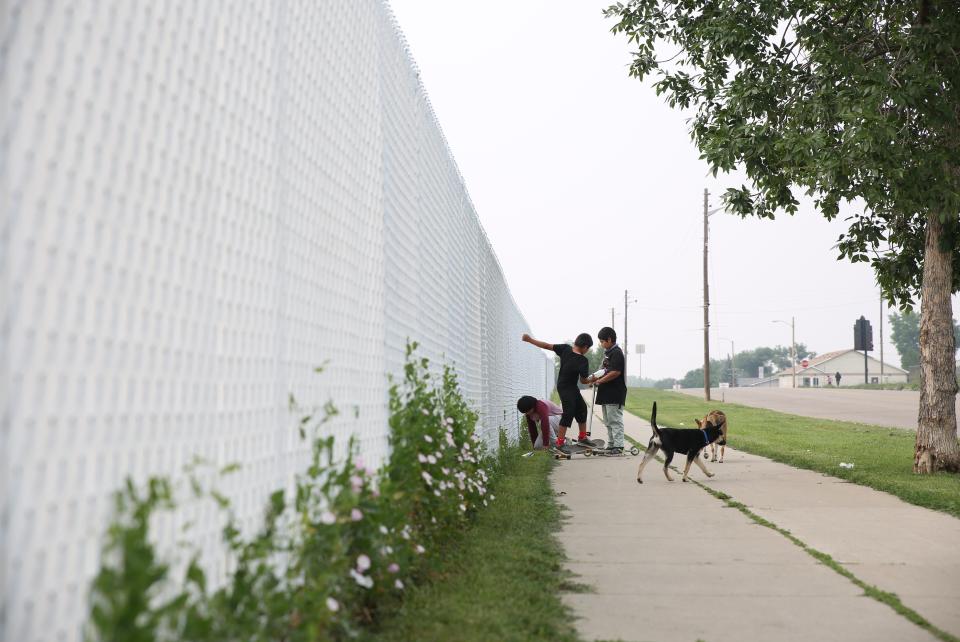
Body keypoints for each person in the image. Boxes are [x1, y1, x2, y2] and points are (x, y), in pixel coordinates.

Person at [521, 332, 596, 453]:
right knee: (568, 412)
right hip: (565, 388)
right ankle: (559, 443)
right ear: (585, 346)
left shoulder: (565, 348)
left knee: (582, 408)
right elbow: (583, 380)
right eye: (588, 348)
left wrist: (530, 340)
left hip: (568, 386)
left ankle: (582, 437)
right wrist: (593, 378)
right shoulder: (582, 360)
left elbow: (546, 345)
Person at [593, 327, 627, 454]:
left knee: (615, 420)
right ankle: (612, 444)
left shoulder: (617, 353)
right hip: (605, 394)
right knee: (607, 421)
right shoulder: (607, 354)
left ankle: (619, 446)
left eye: (602, 341)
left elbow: (615, 372)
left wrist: (600, 381)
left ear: (609, 339)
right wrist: (594, 378)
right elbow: (603, 371)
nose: (601, 344)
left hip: (615, 393)